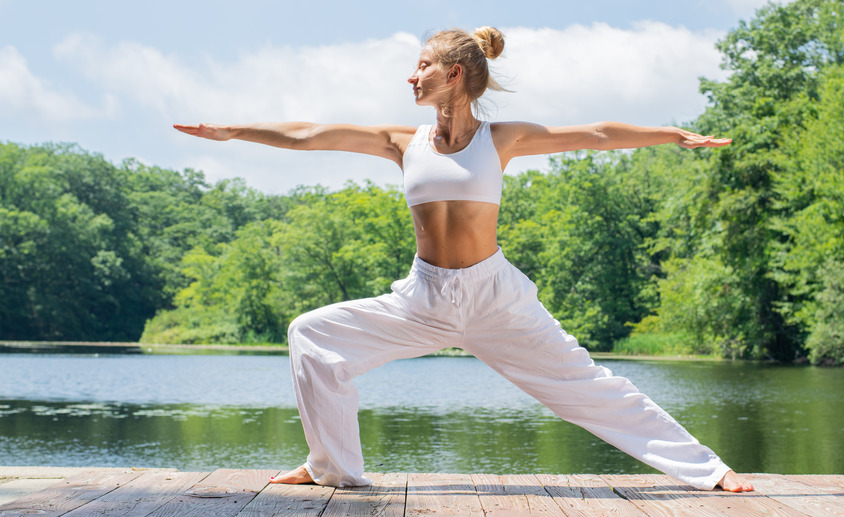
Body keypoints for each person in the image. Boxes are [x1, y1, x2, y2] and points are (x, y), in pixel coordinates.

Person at [175, 26, 754, 492]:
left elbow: (597, 133)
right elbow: (309, 133)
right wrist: (234, 130)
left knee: (587, 385)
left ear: (453, 74)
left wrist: (671, 136)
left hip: (494, 298)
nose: (411, 74)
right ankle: (332, 467)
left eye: (421, 65)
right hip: (423, 297)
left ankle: (707, 469)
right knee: (313, 336)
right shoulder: (402, 142)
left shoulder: (503, 138)